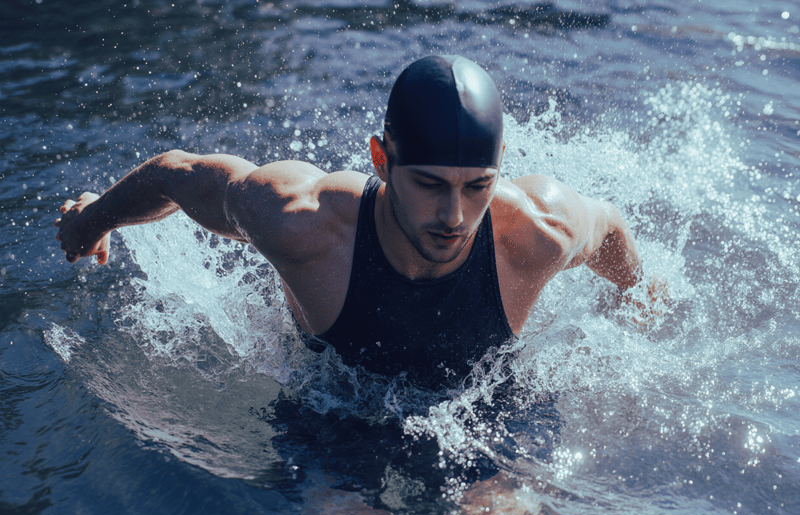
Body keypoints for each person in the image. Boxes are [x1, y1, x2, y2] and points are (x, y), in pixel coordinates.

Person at [55, 55, 650, 389]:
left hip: (487, 406)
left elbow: (610, 226)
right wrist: (93, 220)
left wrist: (640, 294)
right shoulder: (303, 223)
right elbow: (179, 176)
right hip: (332, 407)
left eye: (477, 188)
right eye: (430, 185)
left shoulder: (537, 232)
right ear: (380, 160)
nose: (454, 215)